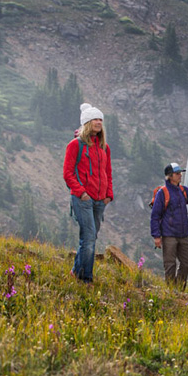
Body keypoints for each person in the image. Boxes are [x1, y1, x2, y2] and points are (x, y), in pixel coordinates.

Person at [63, 103, 114, 283]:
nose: (99, 123)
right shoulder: (75, 145)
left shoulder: (104, 147)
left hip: (100, 200)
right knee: (89, 237)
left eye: (100, 119)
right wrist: (81, 192)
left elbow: (107, 172)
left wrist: (109, 195)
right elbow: (67, 173)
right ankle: (85, 279)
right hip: (83, 199)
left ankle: (76, 272)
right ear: (86, 122)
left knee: (90, 238)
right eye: (95, 120)